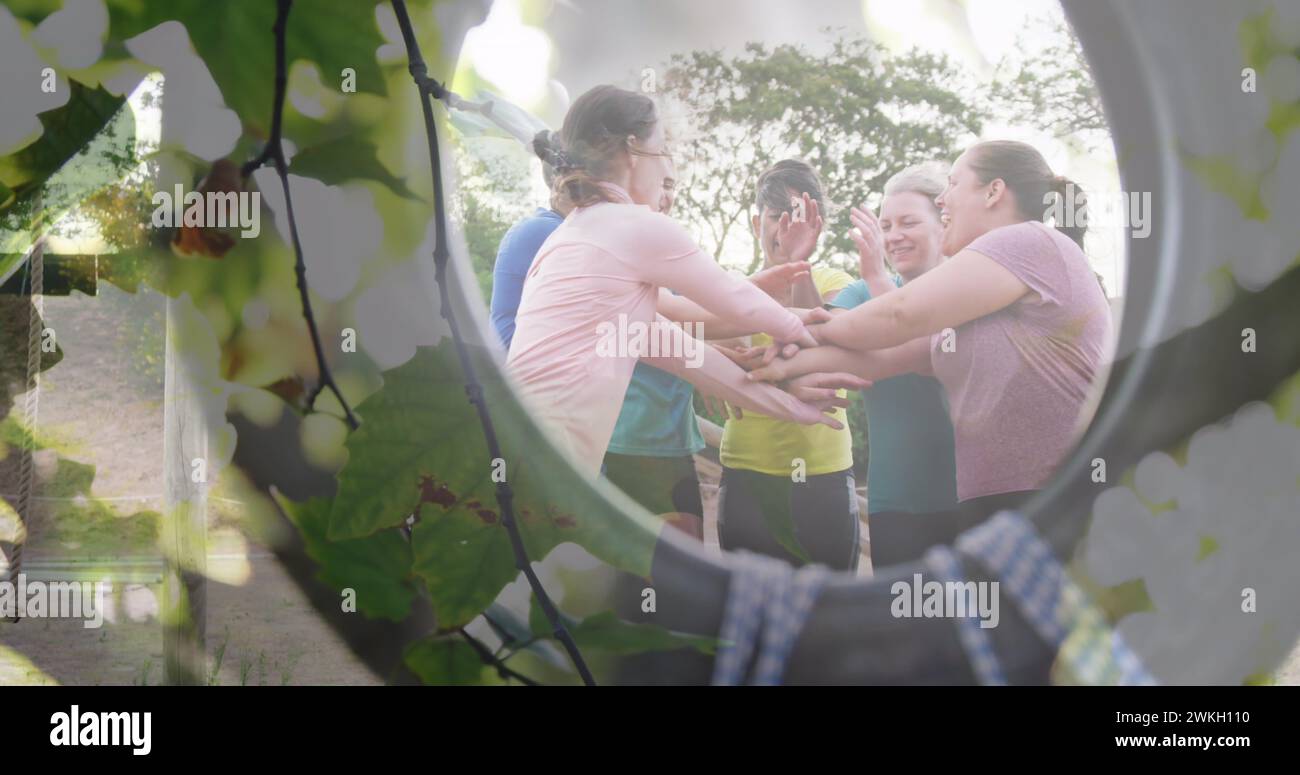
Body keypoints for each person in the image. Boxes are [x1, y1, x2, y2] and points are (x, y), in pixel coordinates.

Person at [749, 140, 1112, 558]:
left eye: (954, 183)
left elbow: (897, 316)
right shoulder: (975, 303)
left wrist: (796, 330)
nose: (943, 197)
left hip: (1049, 498)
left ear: (994, 192)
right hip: (992, 506)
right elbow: (887, 356)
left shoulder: (1028, 241)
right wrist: (767, 366)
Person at [506, 85, 853, 479]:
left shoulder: (581, 236)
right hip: (545, 460)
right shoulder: (635, 226)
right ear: (632, 152)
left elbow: (693, 359)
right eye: (663, 147)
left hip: (519, 446)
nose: (669, 165)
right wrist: (813, 332)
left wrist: (792, 408)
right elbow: (736, 300)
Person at [714, 159, 861, 572]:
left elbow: (822, 345)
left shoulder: (838, 283)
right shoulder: (730, 287)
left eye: (797, 219)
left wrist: (799, 266)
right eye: (777, 217)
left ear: (817, 225)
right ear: (756, 220)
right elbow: (733, 364)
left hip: (825, 473)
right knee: (748, 616)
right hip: (747, 470)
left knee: (831, 616)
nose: (784, 230)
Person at [826, 162, 959, 567]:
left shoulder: (971, 290)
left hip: (967, 502)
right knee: (904, 626)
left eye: (908, 222)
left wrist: (878, 282)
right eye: (884, 226)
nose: (893, 236)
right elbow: (813, 328)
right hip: (894, 506)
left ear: (944, 224)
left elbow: (925, 353)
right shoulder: (860, 292)